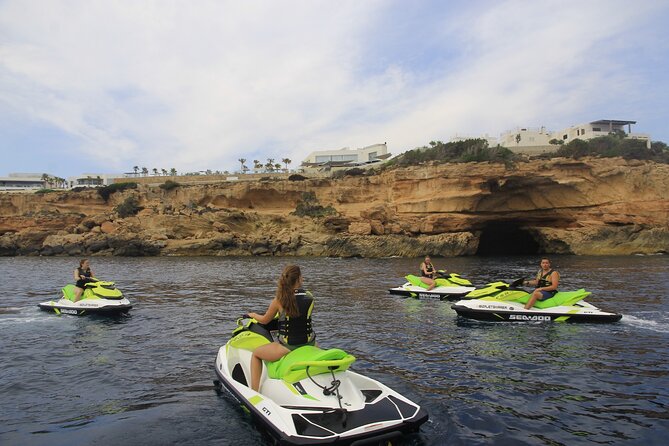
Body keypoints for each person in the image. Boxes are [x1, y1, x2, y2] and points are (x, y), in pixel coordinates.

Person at [246, 265, 316, 392]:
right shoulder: (310, 297)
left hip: (288, 347)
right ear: (299, 279)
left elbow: (265, 320)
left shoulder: (279, 300)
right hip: (310, 343)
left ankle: (254, 391)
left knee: (256, 354)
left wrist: (253, 315)